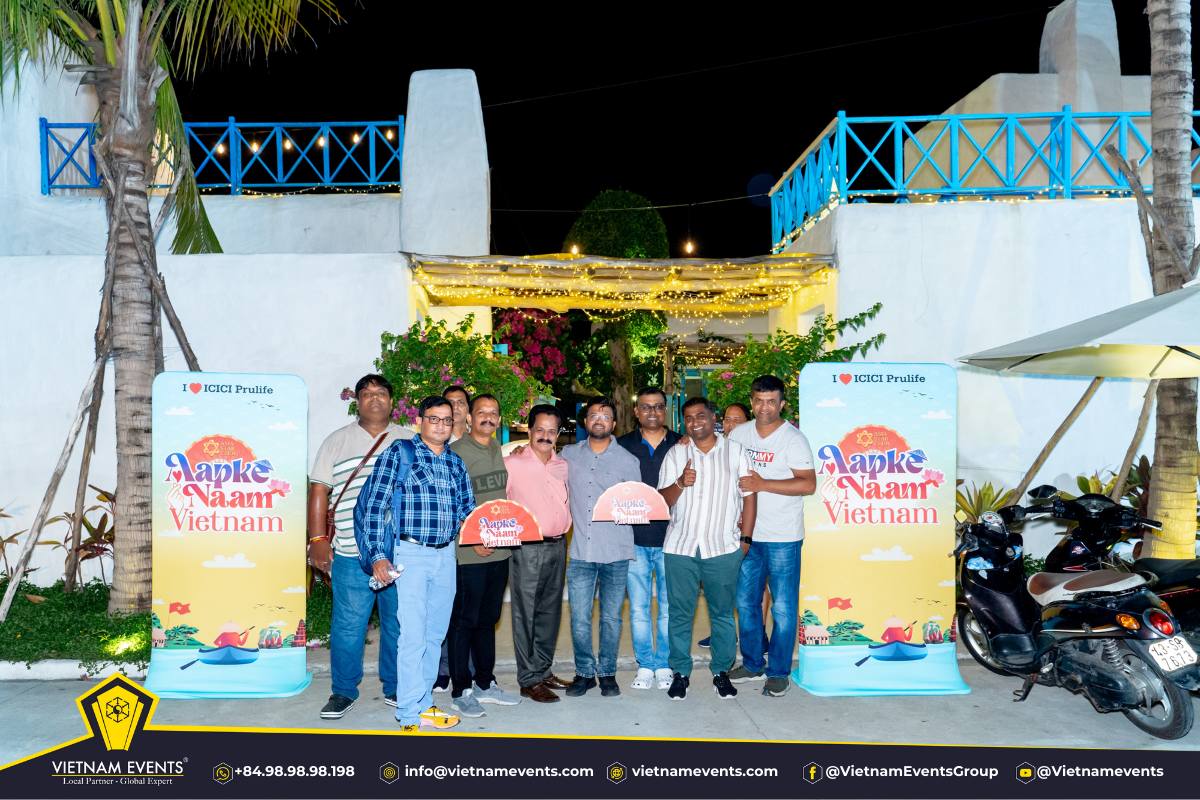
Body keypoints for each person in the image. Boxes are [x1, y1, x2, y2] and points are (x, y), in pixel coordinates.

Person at [355, 396, 475, 731]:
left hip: (445, 555)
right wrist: (378, 556)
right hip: (410, 554)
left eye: (447, 420)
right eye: (434, 419)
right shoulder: (400, 453)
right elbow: (376, 506)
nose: (441, 425)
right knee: (413, 636)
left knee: (434, 636)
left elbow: (467, 510)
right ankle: (408, 713)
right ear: (420, 421)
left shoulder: (456, 463)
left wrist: (491, 527)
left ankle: (424, 704)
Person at [309, 374, 412, 720]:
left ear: (391, 401)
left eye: (381, 393)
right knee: (348, 626)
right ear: (357, 402)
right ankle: (343, 691)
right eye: (367, 394)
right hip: (351, 552)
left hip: (399, 554)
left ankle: (395, 686)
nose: (374, 398)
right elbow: (319, 491)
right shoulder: (336, 441)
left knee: (398, 623)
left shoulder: (408, 440)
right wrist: (317, 540)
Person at [657, 398, 757, 700]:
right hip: (680, 547)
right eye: (688, 418)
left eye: (701, 416)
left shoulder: (735, 451)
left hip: (723, 547)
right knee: (679, 614)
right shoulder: (676, 453)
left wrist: (745, 540)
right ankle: (680, 672)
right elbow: (662, 501)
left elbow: (750, 496)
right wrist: (680, 482)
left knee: (723, 614)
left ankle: (721, 671)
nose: (694, 422)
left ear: (714, 419)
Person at [726, 375, 816, 697]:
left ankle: (778, 671)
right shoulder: (738, 434)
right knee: (746, 602)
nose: (765, 407)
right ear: (752, 402)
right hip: (747, 535)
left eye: (772, 401)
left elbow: (808, 484)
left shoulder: (793, 439)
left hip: (783, 537)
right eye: (759, 401)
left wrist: (763, 484)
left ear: (782, 404)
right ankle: (753, 663)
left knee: (783, 608)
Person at [446, 394, 522, 718]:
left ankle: (485, 682)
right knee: (464, 621)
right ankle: (460, 690)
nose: (487, 417)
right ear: (469, 417)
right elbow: (449, 502)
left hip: (500, 552)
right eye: (481, 412)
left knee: (488, 620)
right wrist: (471, 537)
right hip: (469, 554)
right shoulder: (456, 453)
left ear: (499, 420)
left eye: (493, 412)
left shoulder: (497, 450)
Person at [560, 397, 641, 697]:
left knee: (611, 618)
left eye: (605, 416)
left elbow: (637, 504)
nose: (599, 420)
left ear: (614, 424)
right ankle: (584, 673)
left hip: (616, 552)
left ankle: (607, 673)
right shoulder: (568, 455)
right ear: (585, 422)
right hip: (581, 552)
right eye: (593, 415)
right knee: (579, 618)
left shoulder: (628, 461)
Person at [505, 405, 573, 703]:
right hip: (526, 548)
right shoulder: (512, 463)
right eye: (540, 430)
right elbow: (498, 505)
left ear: (558, 434)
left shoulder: (563, 465)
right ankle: (528, 679)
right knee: (526, 615)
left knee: (549, 612)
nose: (545, 436)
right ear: (529, 431)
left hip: (559, 545)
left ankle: (543, 671)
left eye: (551, 431)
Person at [616, 387, 680, 691]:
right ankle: (645, 665)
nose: (652, 412)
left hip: (673, 539)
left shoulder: (682, 443)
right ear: (636, 411)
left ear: (665, 410)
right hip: (634, 540)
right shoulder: (622, 445)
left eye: (657, 406)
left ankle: (664, 664)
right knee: (639, 609)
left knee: (668, 608)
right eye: (645, 406)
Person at [433, 384, 472, 692]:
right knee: (441, 608)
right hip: (441, 543)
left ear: (468, 410)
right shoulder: (436, 445)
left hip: (471, 543)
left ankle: (467, 668)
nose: (456, 407)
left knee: (467, 611)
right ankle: (442, 668)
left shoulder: (481, 442)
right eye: (451, 403)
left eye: (461, 402)